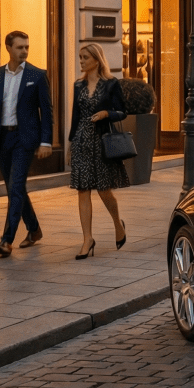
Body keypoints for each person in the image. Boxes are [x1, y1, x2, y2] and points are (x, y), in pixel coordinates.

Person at [0, 30, 53, 257]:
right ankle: (34, 229)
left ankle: (6, 240)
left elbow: (46, 111)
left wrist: (46, 141)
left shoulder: (37, 75)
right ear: (8, 48)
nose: (25, 51)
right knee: (14, 187)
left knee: (15, 186)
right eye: (20, 47)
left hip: (25, 139)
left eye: (27, 46)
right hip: (3, 138)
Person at [69, 43, 129, 259]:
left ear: (96, 59)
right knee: (83, 190)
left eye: (85, 57)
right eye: (80, 57)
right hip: (82, 141)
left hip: (102, 142)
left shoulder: (111, 84)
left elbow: (122, 111)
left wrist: (106, 113)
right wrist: (70, 143)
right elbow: (75, 116)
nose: (81, 61)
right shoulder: (78, 85)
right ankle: (87, 239)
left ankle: (117, 224)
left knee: (104, 190)